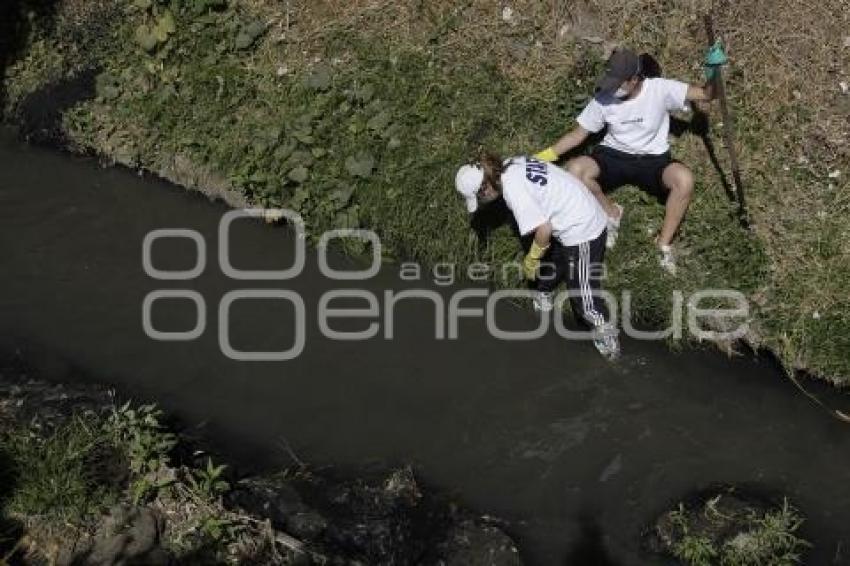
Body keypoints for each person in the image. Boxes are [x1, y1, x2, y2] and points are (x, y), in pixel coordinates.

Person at [534, 44, 727, 275]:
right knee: (575, 169)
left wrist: (713, 72)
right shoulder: (604, 98)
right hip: (613, 156)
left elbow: (707, 94)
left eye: (619, 83)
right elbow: (578, 135)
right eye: (611, 81)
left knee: (684, 179)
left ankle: (663, 245)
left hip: (653, 159)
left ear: (635, 79)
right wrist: (543, 157)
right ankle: (611, 214)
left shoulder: (659, 89)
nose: (612, 88)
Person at [455, 152, 620, 360]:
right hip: (572, 211)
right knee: (556, 259)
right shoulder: (510, 164)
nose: (481, 201)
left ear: (486, 188)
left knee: (581, 292)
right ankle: (544, 291)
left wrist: (531, 259)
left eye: (479, 197)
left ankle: (604, 333)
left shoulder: (514, 193)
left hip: (584, 229)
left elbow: (544, 230)